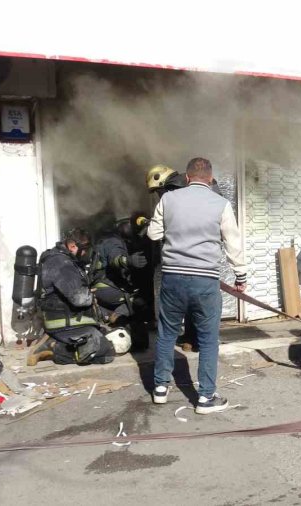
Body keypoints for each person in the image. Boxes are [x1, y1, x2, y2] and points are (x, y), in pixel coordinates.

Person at [147, 157, 247, 414]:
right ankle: (205, 398)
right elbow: (233, 243)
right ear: (211, 179)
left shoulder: (167, 200)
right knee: (208, 338)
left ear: (188, 178)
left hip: (173, 278)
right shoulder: (221, 204)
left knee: (167, 333)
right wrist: (240, 277)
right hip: (205, 281)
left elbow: (154, 234)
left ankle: (160, 388)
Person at [146, 164, 225, 351]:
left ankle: (193, 340)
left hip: (186, 258)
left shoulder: (175, 189)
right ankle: (194, 339)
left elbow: (173, 224)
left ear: (163, 181)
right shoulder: (190, 182)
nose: (159, 195)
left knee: (184, 302)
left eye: (158, 190)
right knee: (198, 302)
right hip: (206, 252)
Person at [27, 229, 116, 366]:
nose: (85, 253)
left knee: (105, 336)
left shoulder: (60, 258)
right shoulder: (62, 263)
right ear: (73, 246)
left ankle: (59, 342)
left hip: (66, 319)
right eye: (84, 249)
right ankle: (55, 347)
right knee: (105, 351)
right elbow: (79, 299)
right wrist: (91, 295)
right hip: (64, 321)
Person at [90, 214, 151, 351]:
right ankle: (119, 320)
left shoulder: (103, 239)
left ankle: (109, 314)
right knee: (137, 303)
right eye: (128, 224)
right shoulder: (114, 241)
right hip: (108, 288)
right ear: (119, 226)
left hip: (101, 288)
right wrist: (127, 261)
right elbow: (115, 258)